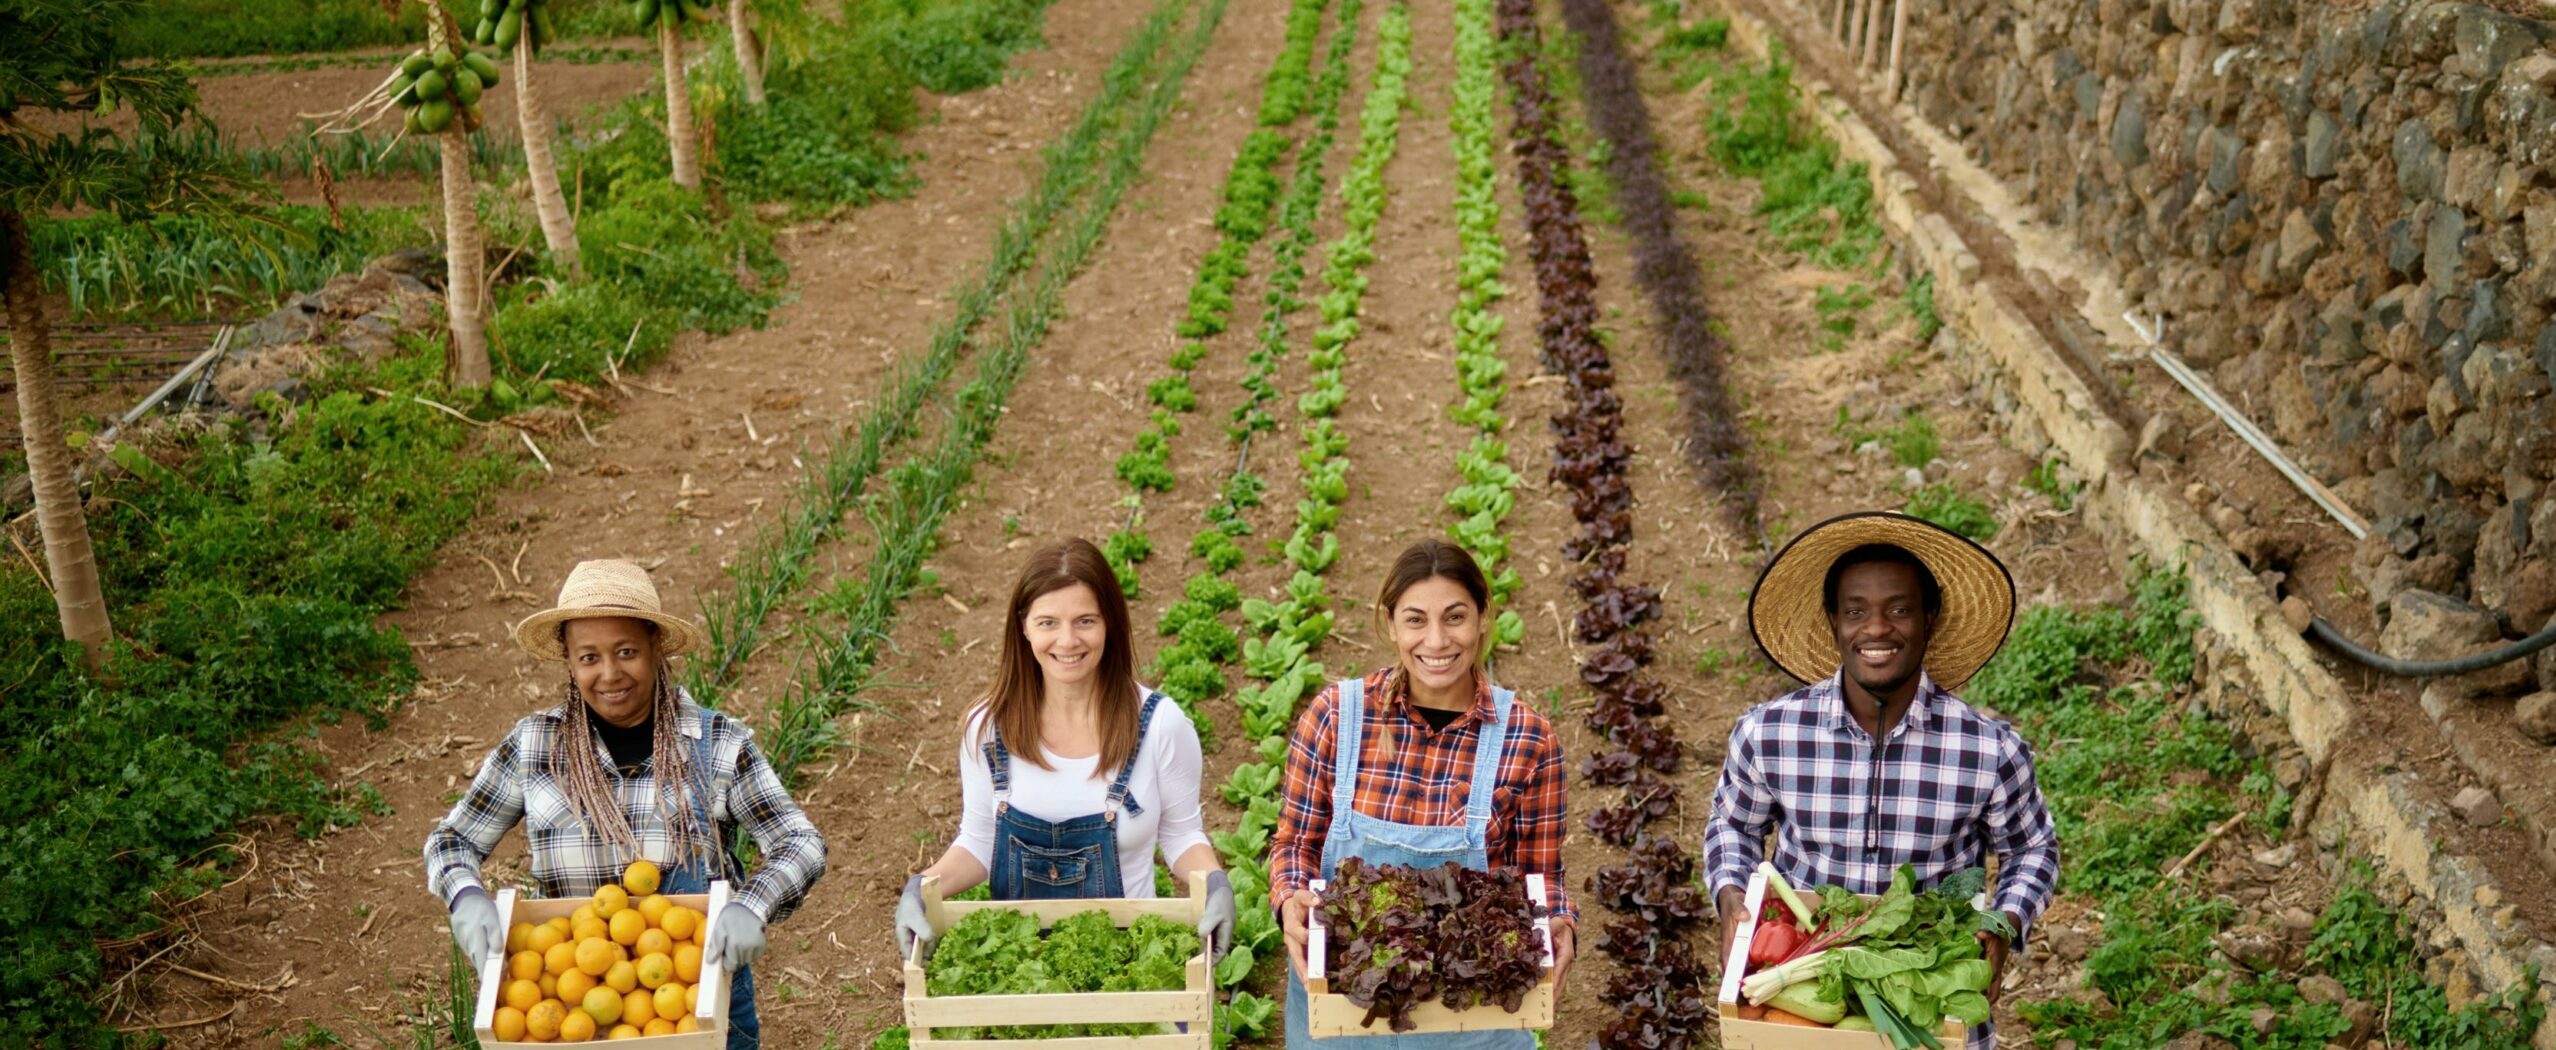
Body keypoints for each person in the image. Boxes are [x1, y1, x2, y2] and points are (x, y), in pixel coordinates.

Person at [424, 559, 827, 1050]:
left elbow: (799, 841)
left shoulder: (715, 744)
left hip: (694, 1008)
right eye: (589, 657)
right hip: (570, 1017)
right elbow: (453, 839)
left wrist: (752, 904)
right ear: (568, 662)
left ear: (656, 647)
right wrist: (465, 896)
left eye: (627, 651)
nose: (610, 674)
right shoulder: (536, 747)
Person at [1704, 512, 2059, 1050]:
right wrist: (1732, 896)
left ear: (1930, 619)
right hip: (1801, 984)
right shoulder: (1768, 733)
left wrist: (2005, 922)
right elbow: (1732, 826)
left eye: (1899, 609)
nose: (1876, 629)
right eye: (1855, 612)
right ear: (1832, 621)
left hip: (1929, 994)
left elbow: (2033, 848)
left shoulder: (1988, 749)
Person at [1273, 537, 1577, 1049]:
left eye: (1455, 617)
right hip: (1345, 1008)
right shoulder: (1336, 717)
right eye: (1416, 620)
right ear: (1390, 624)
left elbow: (1539, 874)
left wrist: (1560, 922)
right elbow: (1294, 845)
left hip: (1472, 1018)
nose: (1436, 641)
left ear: (1483, 618)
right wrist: (1290, 901)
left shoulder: (1528, 738)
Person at [895, 538, 1235, 962]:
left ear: (1110, 623)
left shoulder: (1161, 726)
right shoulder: (987, 728)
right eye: (1048, 623)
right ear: (1023, 627)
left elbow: (1181, 835)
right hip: (1016, 972)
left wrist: (1216, 883)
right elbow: (980, 841)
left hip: (1131, 965)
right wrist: (922, 888)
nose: (1068, 641)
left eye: (1085, 621)